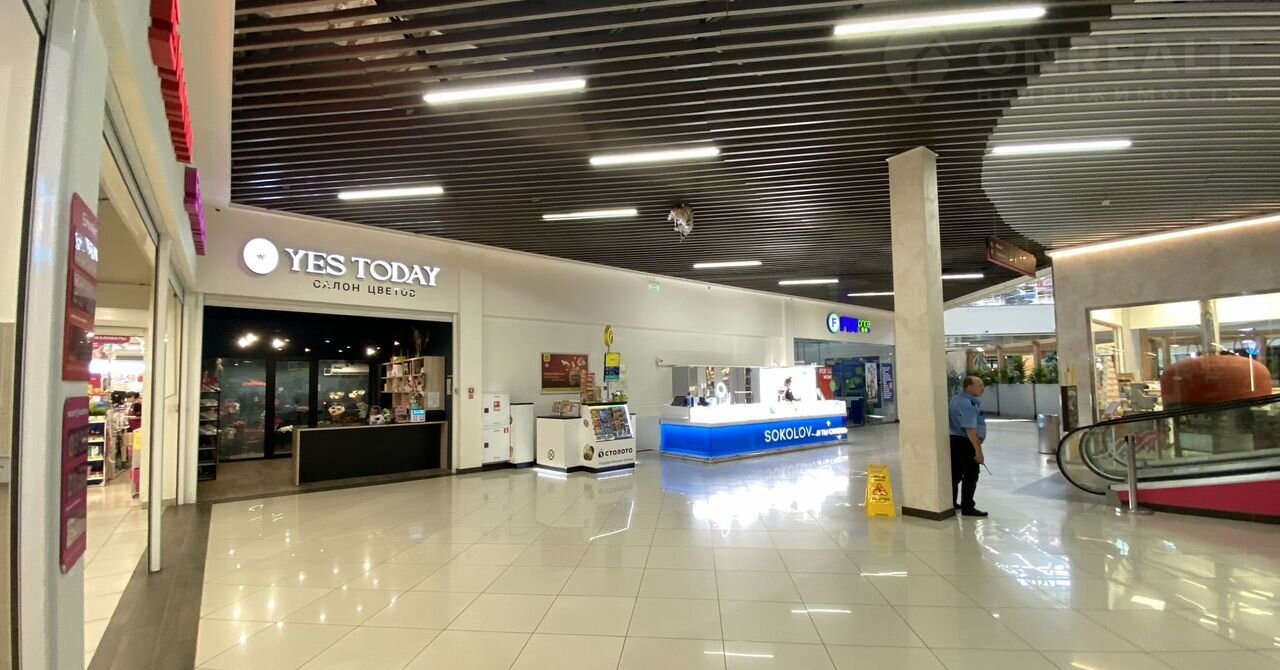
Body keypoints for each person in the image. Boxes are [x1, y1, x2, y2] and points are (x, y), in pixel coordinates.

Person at [948, 376, 988, 517]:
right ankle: (968, 507)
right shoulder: (967, 403)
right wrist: (978, 452)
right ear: (969, 386)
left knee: (955, 474)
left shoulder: (956, 399)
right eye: (979, 385)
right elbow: (970, 430)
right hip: (965, 442)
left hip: (954, 440)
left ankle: (951, 502)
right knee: (971, 474)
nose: (982, 388)